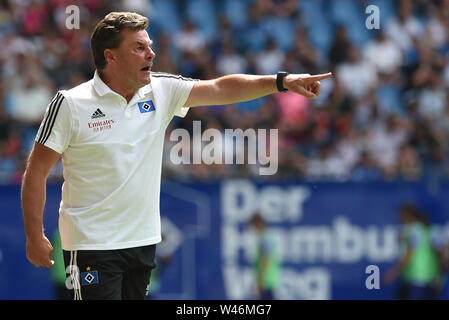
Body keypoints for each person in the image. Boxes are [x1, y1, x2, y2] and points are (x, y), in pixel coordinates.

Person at [21, 11, 331, 300]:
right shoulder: (71, 104)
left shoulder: (162, 90)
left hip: (142, 243)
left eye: (150, 46)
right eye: (139, 48)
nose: (151, 54)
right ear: (110, 56)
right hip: (91, 245)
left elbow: (222, 89)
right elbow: (36, 171)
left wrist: (281, 82)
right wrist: (34, 234)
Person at [383, 203, 440, 300]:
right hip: (415, 278)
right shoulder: (417, 229)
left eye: (400, 215)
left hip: (419, 278)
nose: (398, 218)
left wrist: (393, 273)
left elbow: (409, 254)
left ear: (406, 215)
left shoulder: (415, 230)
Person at [249, 213, 281, 300]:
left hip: (266, 280)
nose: (253, 229)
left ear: (259, 223)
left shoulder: (265, 238)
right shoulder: (268, 236)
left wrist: (261, 281)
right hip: (269, 279)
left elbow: (266, 258)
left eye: (254, 225)